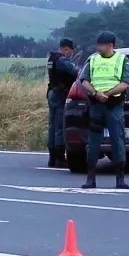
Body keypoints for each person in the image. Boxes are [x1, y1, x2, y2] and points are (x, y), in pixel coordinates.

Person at [77, 31, 129, 189]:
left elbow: (126, 83)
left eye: (101, 45)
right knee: (93, 143)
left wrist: (108, 94)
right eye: (98, 45)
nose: (98, 47)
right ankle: (90, 179)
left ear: (110, 45)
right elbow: (84, 80)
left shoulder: (122, 59)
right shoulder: (93, 59)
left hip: (114, 105)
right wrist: (95, 93)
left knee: (118, 141)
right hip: (96, 105)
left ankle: (120, 179)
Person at [46, 38, 79, 168]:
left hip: (52, 92)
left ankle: (52, 158)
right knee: (60, 126)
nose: (71, 54)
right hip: (60, 94)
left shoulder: (52, 58)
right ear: (66, 49)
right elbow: (75, 72)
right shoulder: (62, 60)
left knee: (52, 126)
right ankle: (60, 157)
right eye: (71, 51)